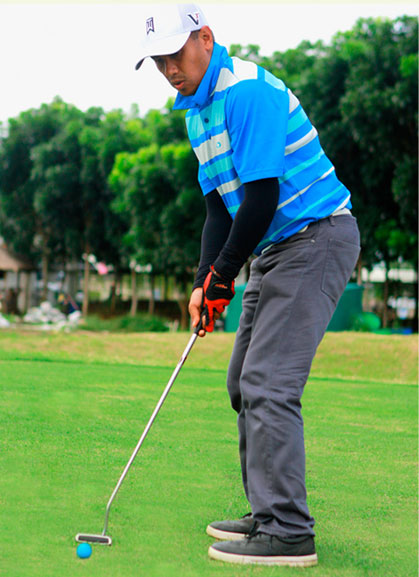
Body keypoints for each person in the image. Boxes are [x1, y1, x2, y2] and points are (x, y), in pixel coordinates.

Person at [134, 4, 361, 567]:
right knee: (242, 381)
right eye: (158, 60)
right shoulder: (197, 113)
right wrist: (202, 281)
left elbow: (259, 200)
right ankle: (266, 512)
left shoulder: (247, 93)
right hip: (272, 249)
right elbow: (219, 209)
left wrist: (223, 278)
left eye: (174, 54)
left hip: (316, 237)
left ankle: (289, 531)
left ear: (205, 39)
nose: (168, 68)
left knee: (268, 382)